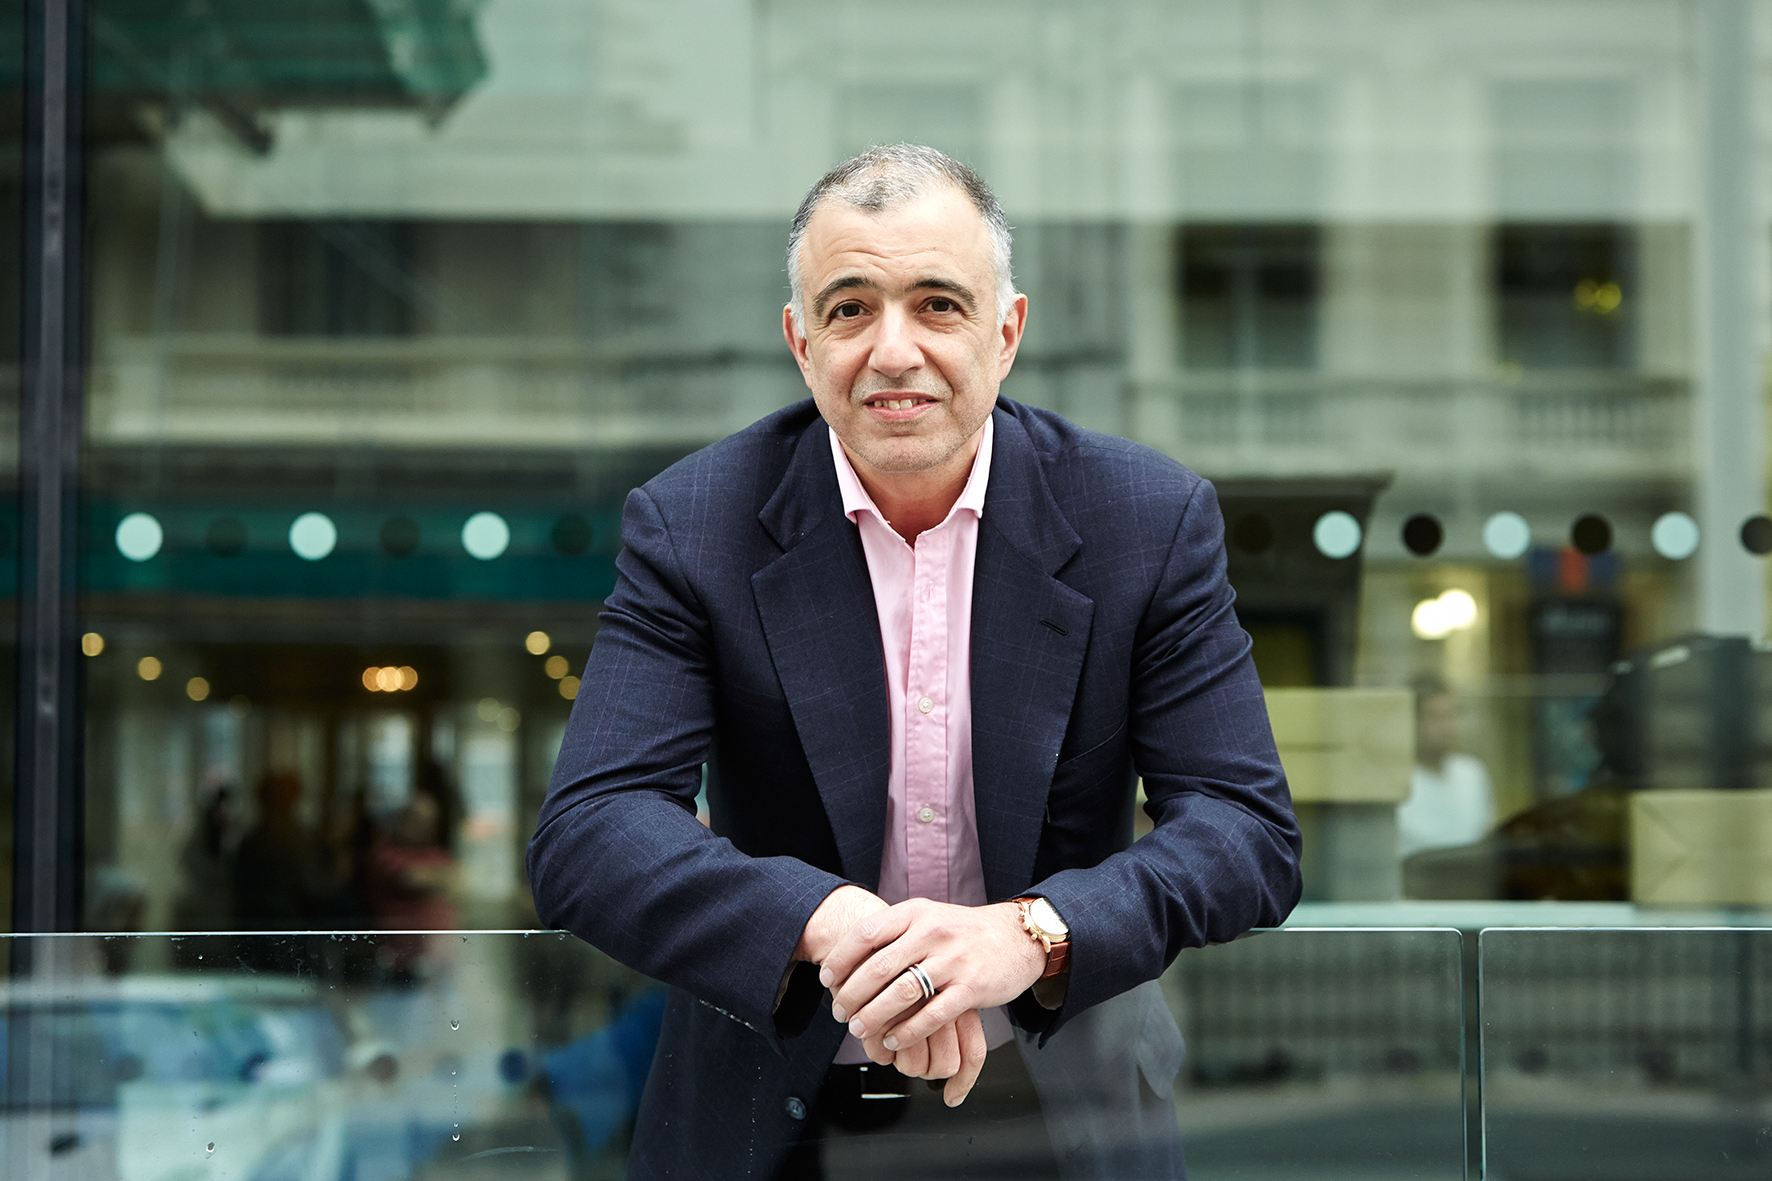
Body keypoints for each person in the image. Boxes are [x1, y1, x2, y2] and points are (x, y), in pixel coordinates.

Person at [527, 145, 1302, 1179]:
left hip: (1065, 1105)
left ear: (1006, 332)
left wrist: (1033, 932)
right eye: (850, 309)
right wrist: (827, 923)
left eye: (938, 304)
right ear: (801, 343)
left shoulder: (1145, 521)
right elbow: (589, 828)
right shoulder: (692, 525)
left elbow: (1245, 830)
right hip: (770, 1113)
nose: (893, 350)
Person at [1396, 675, 1496, 859]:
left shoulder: (1472, 772)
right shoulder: (1395, 781)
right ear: (1412, 722)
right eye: (1436, 717)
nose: (1448, 727)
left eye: (1452, 715)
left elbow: (1487, 836)